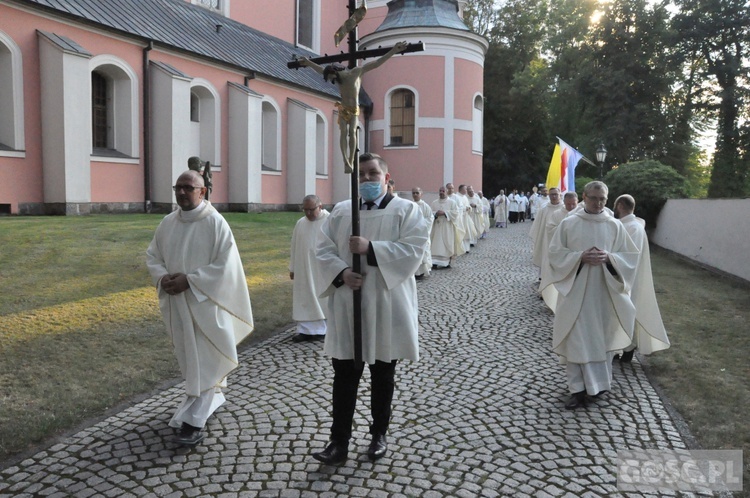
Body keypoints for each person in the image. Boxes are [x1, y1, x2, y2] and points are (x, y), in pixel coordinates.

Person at [312, 152, 429, 464]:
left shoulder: (406, 211)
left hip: (386, 304)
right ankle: (338, 442)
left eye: (373, 174)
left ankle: (379, 434)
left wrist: (371, 249)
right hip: (349, 303)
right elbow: (322, 249)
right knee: (344, 375)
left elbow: (414, 250)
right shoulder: (341, 211)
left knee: (382, 374)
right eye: (361, 175)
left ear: (386, 178)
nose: (366, 180)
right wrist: (340, 273)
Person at [146, 170, 254, 445]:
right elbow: (153, 255)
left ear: (202, 191)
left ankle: (194, 422)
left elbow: (226, 266)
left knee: (206, 357)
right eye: (178, 187)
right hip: (178, 304)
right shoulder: (168, 222)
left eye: (188, 188)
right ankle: (210, 396)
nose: (182, 192)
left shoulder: (216, 223)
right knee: (191, 358)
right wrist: (162, 277)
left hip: (207, 304)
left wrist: (190, 281)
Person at [547, 181, 639, 410]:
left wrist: (610, 258)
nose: (598, 203)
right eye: (594, 198)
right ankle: (577, 390)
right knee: (577, 338)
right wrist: (579, 258)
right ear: (584, 197)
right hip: (575, 293)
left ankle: (598, 385)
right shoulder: (569, 224)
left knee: (601, 337)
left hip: (604, 294)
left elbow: (629, 258)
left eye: (603, 199)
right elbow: (555, 255)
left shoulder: (615, 226)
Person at [298, 42, 407, 174]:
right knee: (343, 133)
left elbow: (377, 63)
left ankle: (351, 159)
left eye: (332, 77)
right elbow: (320, 70)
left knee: (352, 134)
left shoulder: (356, 72)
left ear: (335, 72)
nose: (333, 81)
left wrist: (394, 50)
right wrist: (308, 63)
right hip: (344, 108)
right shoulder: (338, 79)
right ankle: (346, 162)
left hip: (354, 109)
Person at [613, 194, 670, 361]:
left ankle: (628, 348)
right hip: (626, 275)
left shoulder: (633, 227)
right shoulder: (629, 225)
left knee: (628, 312)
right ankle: (620, 347)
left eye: (616, 206)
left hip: (630, 277)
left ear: (621, 206)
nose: (616, 210)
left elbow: (629, 255)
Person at [289, 195, 330, 342]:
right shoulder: (300, 223)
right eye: (305, 210)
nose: (308, 213)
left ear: (320, 206)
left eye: (311, 210)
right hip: (303, 268)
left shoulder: (329, 221)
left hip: (322, 269)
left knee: (321, 297)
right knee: (304, 297)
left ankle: (323, 329)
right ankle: (305, 330)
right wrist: (292, 267)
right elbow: (294, 246)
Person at [539, 191, 578, 311]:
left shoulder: (581, 214)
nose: (571, 207)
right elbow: (550, 229)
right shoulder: (557, 214)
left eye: (573, 204)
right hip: (561, 251)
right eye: (568, 204)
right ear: (564, 203)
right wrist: (564, 228)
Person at [529, 187, 565, 281]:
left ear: (560, 195)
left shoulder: (564, 209)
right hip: (546, 238)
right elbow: (538, 225)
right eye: (551, 194)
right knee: (546, 257)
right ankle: (544, 278)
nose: (553, 196)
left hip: (561, 240)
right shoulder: (544, 209)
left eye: (555, 194)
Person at [430, 186, 464, 268]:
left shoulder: (452, 202)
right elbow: (430, 213)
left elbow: (456, 213)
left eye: (443, 191)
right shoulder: (434, 203)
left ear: (446, 191)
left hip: (447, 226)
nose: (441, 192)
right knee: (435, 243)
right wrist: (436, 213)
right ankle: (434, 261)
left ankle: (446, 262)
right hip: (437, 226)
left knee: (447, 243)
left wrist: (445, 213)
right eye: (440, 191)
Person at [411, 187, 434, 279]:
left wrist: (419, 223)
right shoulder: (410, 205)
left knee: (423, 252)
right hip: (412, 233)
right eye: (414, 193)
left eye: (417, 193)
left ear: (421, 194)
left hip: (422, 233)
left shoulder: (425, 206)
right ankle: (414, 272)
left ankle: (422, 272)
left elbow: (430, 218)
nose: (415, 195)